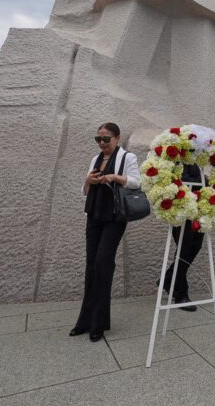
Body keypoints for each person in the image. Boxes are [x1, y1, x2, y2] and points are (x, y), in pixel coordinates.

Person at [71, 122, 140, 342]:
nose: (102, 144)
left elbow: (137, 183)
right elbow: (85, 191)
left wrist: (114, 177)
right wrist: (88, 180)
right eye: (98, 139)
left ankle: (99, 323)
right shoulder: (95, 159)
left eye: (106, 139)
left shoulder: (126, 158)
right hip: (94, 215)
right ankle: (85, 321)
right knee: (91, 265)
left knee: (103, 262)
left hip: (114, 217)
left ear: (117, 138)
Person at [161, 164, 205, 312]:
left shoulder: (195, 161)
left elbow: (199, 182)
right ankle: (181, 294)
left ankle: (168, 279)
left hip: (197, 211)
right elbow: (178, 181)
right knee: (183, 251)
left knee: (195, 246)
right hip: (180, 212)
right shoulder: (175, 158)